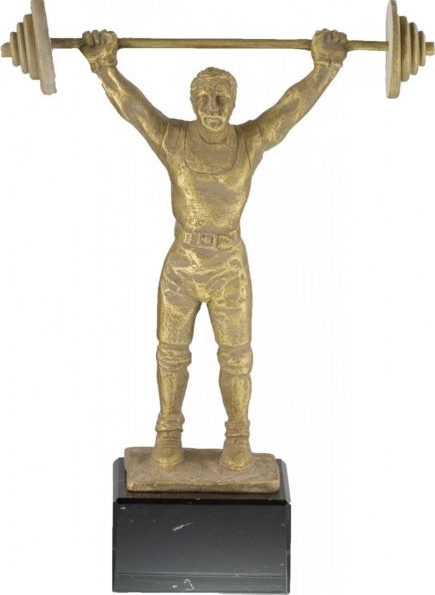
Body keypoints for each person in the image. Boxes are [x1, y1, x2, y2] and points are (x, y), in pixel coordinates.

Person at [81, 28, 348, 470]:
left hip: (228, 266)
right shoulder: (173, 139)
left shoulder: (248, 142)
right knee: (171, 352)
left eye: (222, 98)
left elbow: (289, 109)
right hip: (182, 264)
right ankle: (168, 430)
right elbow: (135, 109)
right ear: (191, 101)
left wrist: (326, 65)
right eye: (204, 98)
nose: (212, 108)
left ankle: (238, 434)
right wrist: (103, 65)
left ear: (235, 102)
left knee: (237, 358)